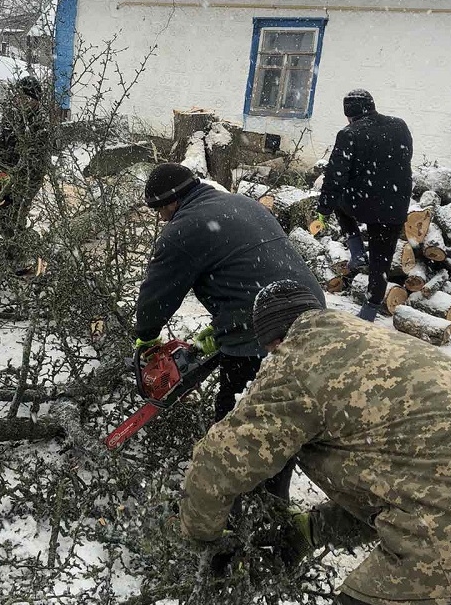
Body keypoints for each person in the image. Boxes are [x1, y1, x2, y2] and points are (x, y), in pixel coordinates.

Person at [180, 279, 451, 605]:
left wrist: (200, 538)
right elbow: (414, 482)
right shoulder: (384, 345)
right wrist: (310, 531)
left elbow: (218, 466)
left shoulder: (299, 362)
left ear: (274, 339)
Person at [134, 163, 326, 500]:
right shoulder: (242, 203)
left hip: (263, 329)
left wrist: (147, 336)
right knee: (282, 413)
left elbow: (157, 294)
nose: (162, 220)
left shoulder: (184, 228)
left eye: (160, 212)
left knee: (235, 420)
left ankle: (237, 504)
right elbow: (250, 264)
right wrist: (221, 325)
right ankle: (272, 498)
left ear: (168, 204)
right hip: (312, 314)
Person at [318, 89, 413, 321]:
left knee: (338, 201)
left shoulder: (349, 133)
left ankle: (357, 249)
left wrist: (324, 209)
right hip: (395, 205)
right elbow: (405, 157)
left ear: (349, 114)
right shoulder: (399, 125)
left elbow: (335, 176)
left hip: (362, 204)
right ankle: (370, 309)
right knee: (381, 262)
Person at [0, 75, 49, 250]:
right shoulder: (10, 117)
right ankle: (10, 251)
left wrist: (14, 184)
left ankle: (26, 250)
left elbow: (35, 164)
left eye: (26, 98)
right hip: (2, 177)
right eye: (18, 97)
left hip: (25, 181)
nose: (20, 101)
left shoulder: (40, 125)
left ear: (35, 101)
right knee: (1, 215)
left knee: (14, 217)